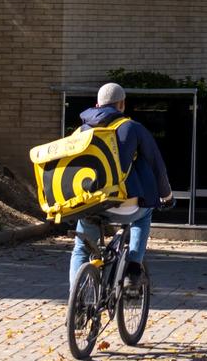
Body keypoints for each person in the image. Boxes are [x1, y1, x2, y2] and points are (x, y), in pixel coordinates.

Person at [69, 81, 174, 293]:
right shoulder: (132, 127)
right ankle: (133, 269)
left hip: (92, 204)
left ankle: (76, 302)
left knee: (81, 248)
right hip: (127, 205)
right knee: (145, 215)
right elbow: (156, 165)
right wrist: (166, 196)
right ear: (122, 104)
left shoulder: (81, 130)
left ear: (96, 105)